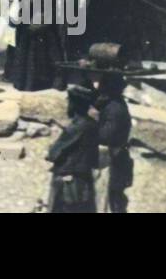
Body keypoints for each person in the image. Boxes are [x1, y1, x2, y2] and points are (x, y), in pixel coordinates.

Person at [46, 85, 100, 213]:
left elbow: (55, 152)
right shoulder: (91, 123)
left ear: (75, 104)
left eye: (69, 102)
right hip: (83, 174)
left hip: (70, 174)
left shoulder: (77, 126)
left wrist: (51, 152)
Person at [95, 71, 133, 213]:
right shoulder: (112, 104)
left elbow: (106, 135)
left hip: (112, 160)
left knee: (108, 202)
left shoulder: (114, 108)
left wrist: (89, 127)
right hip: (115, 157)